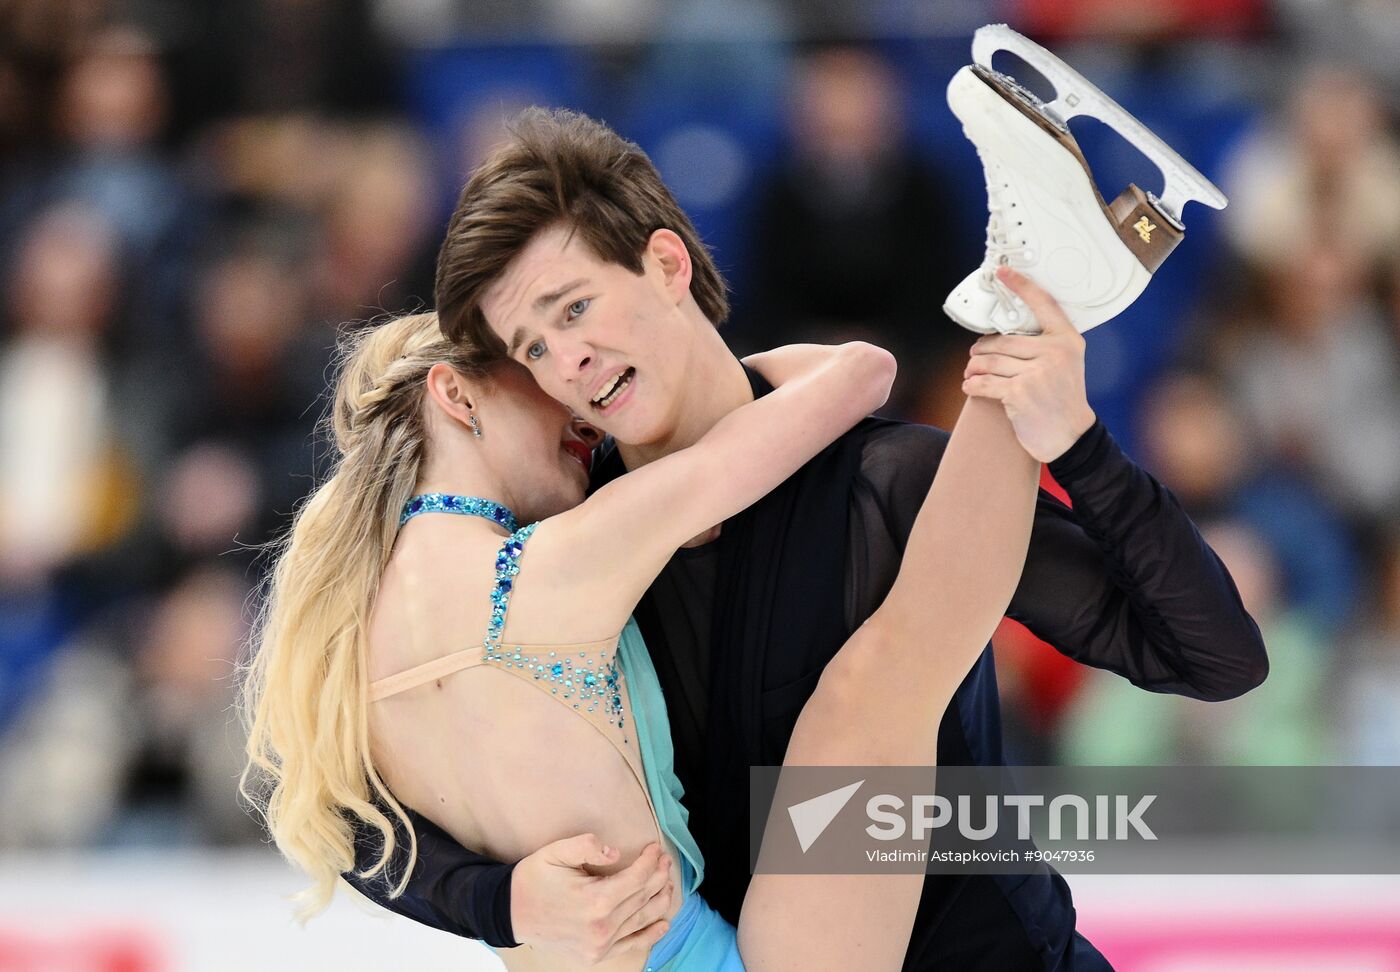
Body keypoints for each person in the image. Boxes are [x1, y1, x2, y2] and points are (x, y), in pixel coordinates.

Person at [349, 109, 1268, 970]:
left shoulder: (887, 481)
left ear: (668, 265)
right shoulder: (569, 552)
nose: (567, 362)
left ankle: (1040, 277)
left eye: (574, 309)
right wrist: (498, 904)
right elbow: (332, 807)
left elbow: (1213, 657)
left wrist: (1079, 444)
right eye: (533, 349)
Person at [242, 293, 1046, 969]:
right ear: (458, 396)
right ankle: (1034, 301)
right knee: (889, 674)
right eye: (537, 370)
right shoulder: (552, 566)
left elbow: (355, 839)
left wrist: (502, 904)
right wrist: (733, 374)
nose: (578, 404)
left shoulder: (336, 641)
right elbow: (858, 376)